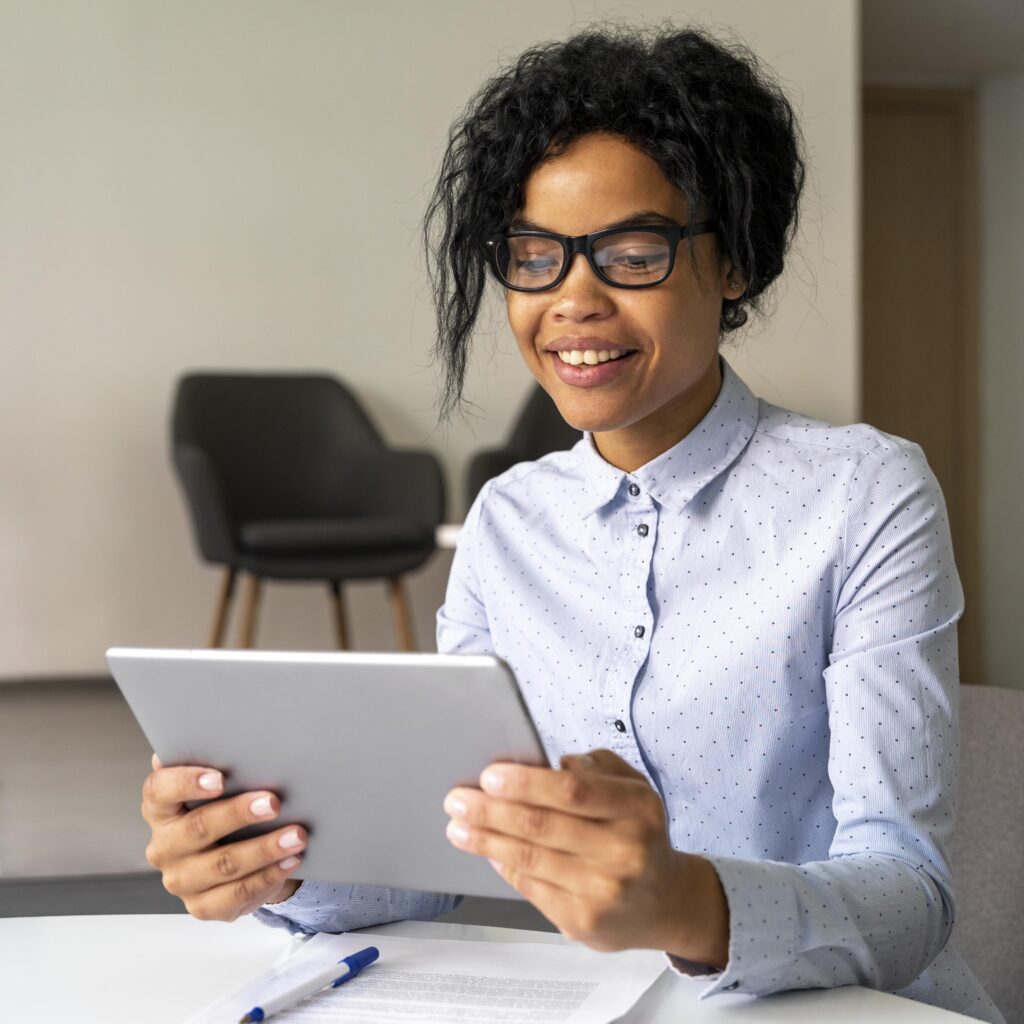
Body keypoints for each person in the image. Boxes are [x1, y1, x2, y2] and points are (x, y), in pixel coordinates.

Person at [140, 25, 1003, 1023]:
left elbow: (911, 894)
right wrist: (272, 859)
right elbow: (439, 857)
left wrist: (695, 902)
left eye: (632, 253)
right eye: (535, 257)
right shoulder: (507, 521)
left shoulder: (864, 493)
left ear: (733, 263)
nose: (571, 301)